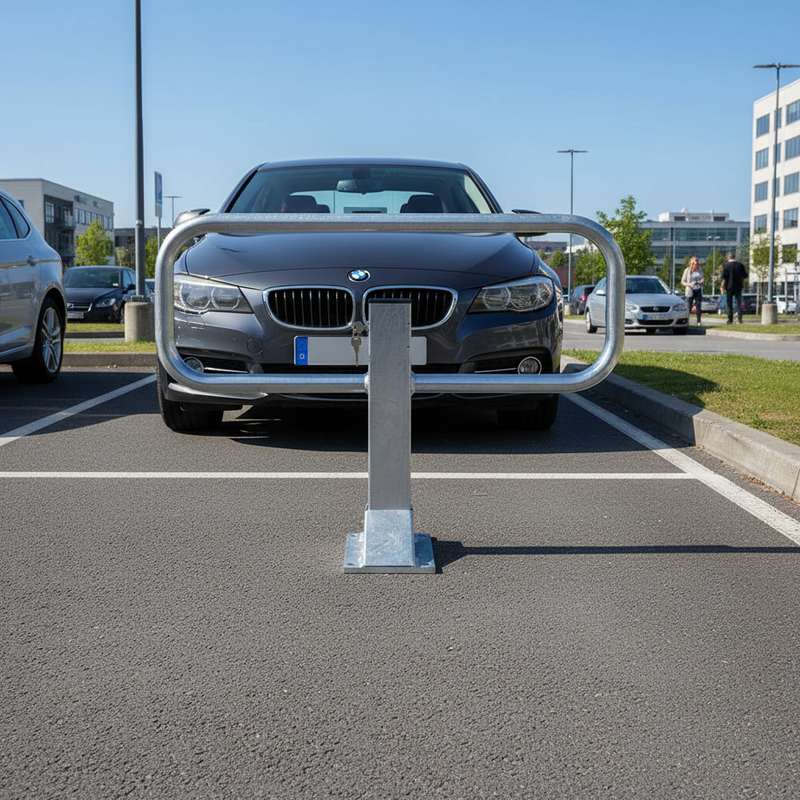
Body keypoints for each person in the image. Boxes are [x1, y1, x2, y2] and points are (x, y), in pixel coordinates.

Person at [721, 253, 748, 325]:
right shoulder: (740, 265)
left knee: (729, 304)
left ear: (728, 258)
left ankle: (730, 319)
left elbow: (724, 277)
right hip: (738, 286)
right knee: (739, 303)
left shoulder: (726, 266)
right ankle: (740, 318)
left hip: (729, 287)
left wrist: (722, 286)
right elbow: (745, 275)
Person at [681, 255, 704, 324]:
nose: (695, 266)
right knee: (689, 306)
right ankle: (686, 321)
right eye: (694, 264)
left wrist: (700, 282)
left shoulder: (700, 270)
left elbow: (702, 278)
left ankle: (699, 321)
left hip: (698, 289)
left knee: (698, 305)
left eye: (697, 264)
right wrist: (689, 284)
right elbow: (682, 282)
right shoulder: (687, 270)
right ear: (692, 263)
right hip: (690, 290)